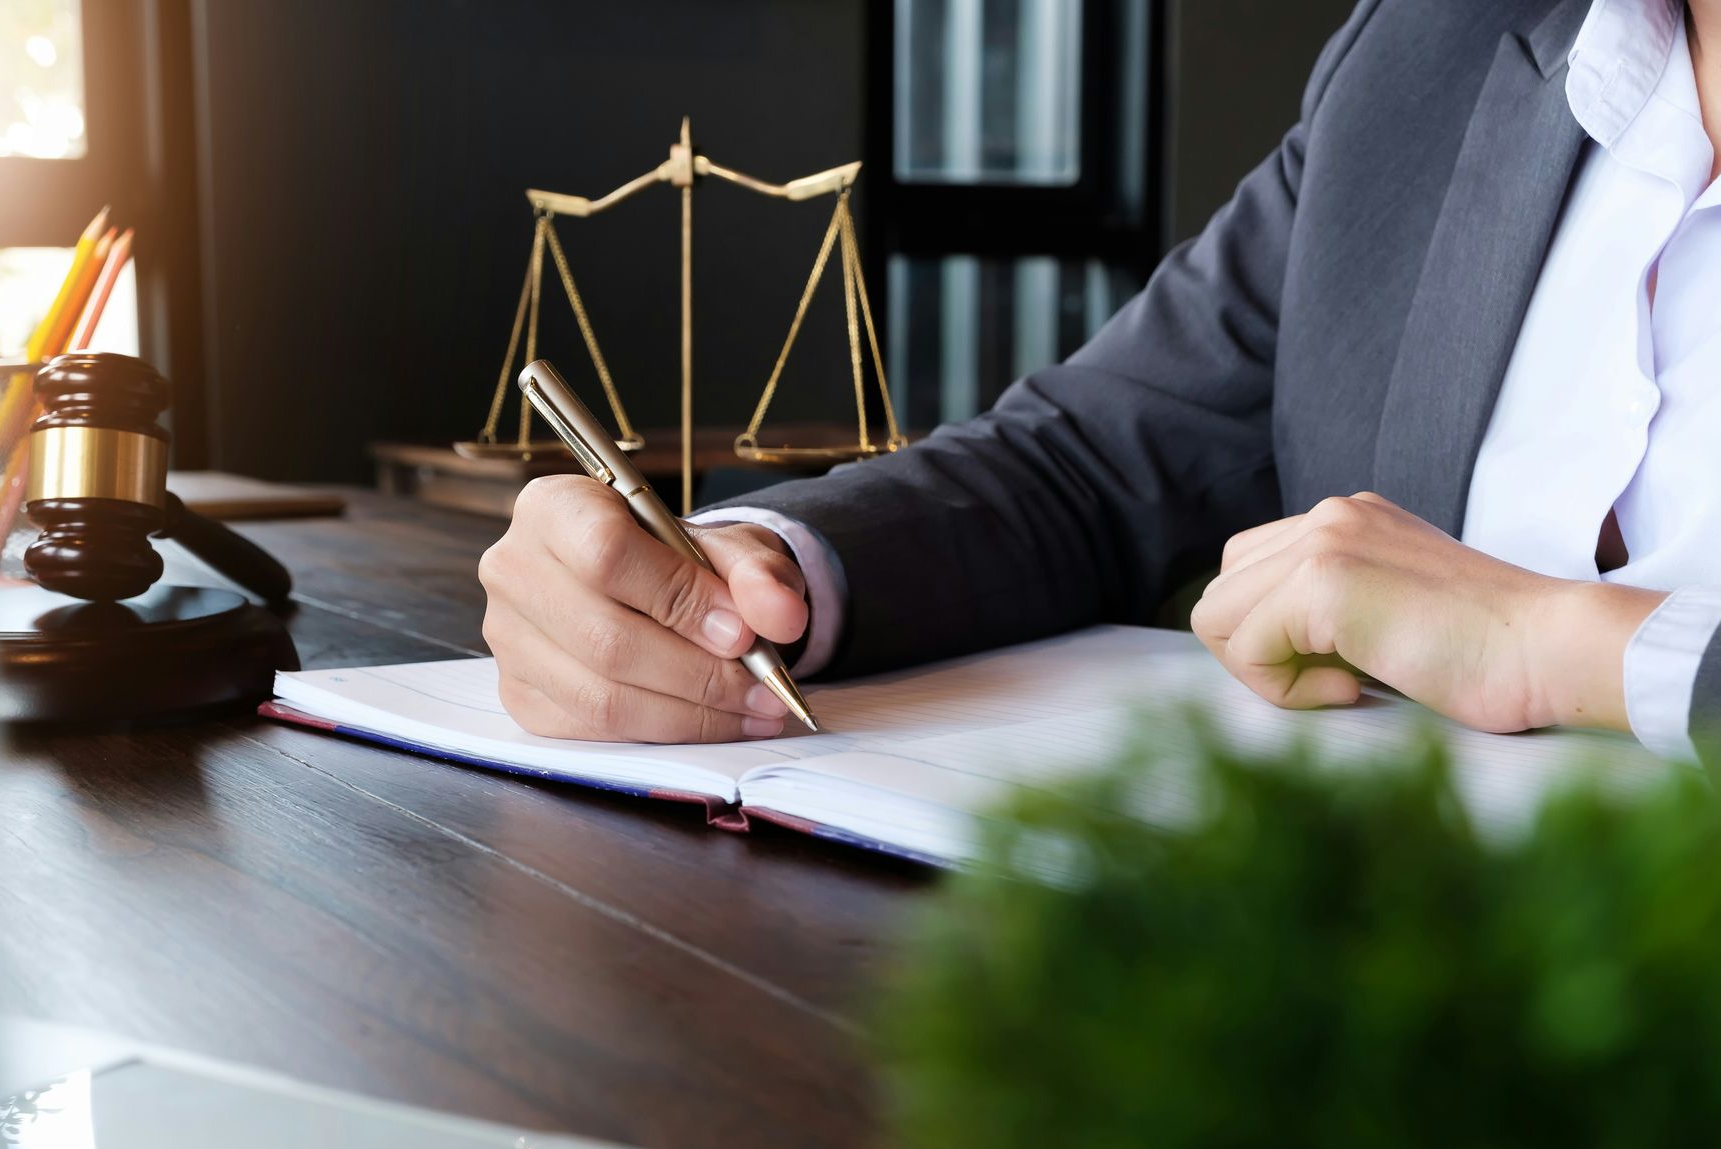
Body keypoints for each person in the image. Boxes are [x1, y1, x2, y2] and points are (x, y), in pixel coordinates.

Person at [479, 0, 1721, 761]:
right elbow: (1086, 460)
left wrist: (1564, 645)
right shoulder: (1432, 50)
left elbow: (1543, 642)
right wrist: (748, 571)